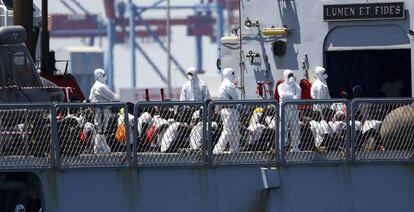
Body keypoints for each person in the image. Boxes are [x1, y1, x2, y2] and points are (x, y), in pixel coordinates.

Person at [89, 68, 117, 153]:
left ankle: (101, 147)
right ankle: (100, 148)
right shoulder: (100, 86)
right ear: (99, 76)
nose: (105, 76)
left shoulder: (97, 85)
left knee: (101, 130)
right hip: (102, 110)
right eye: (103, 74)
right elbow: (112, 97)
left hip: (101, 109)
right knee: (101, 129)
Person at [213, 68, 240, 154]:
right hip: (230, 110)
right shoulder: (229, 85)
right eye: (232, 73)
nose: (233, 75)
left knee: (234, 131)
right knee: (229, 131)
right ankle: (218, 149)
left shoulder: (223, 84)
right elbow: (236, 97)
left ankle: (234, 149)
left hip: (225, 109)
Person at [278, 69, 301, 152]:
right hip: (284, 110)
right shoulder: (281, 86)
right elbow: (282, 95)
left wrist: (292, 88)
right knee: (282, 128)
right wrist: (292, 96)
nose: (291, 77)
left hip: (294, 110)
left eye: (292, 75)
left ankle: (295, 146)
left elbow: (298, 97)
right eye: (289, 76)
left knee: (295, 128)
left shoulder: (297, 86)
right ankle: (281, 146)